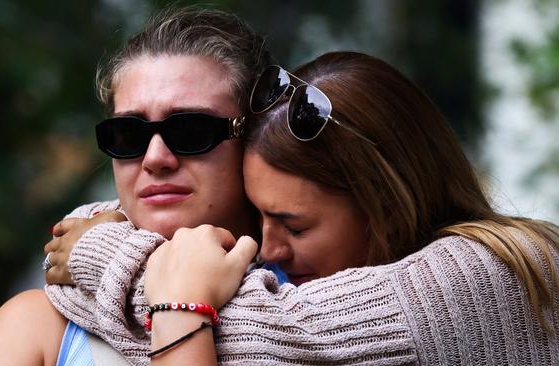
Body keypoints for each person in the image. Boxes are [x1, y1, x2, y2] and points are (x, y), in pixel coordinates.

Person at [46, 52, 559, 365]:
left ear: (383, 203)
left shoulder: (485, 274)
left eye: (293, 223)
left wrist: (101, 252)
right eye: (260, 214)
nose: (268, 247)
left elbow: (254, 335)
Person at [0, 6, 271, 365]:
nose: (155, 158)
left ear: (255, 136)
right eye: (128, 134)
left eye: (191, 131)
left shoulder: (322, 301)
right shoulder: (34, 329)